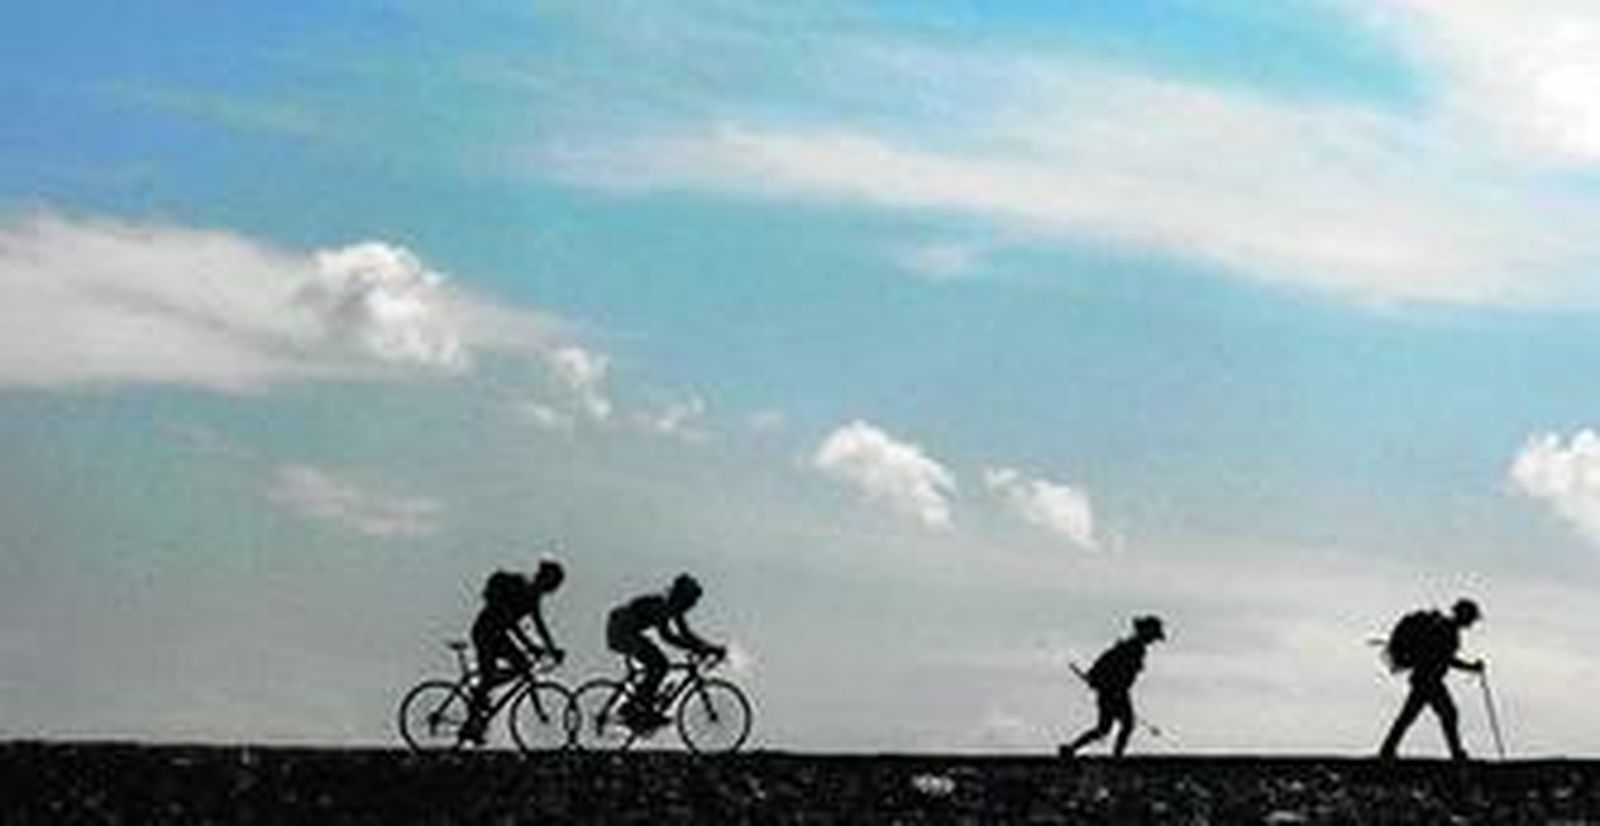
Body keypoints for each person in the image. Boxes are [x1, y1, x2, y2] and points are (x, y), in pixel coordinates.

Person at [461, 559, 566, 744]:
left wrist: (551, 649)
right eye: (552, 585)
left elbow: (540, 626)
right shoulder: (522, 588)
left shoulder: (533, 597)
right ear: (545, 580)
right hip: (485, 632)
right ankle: (471, 724)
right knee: (490, 677)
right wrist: (531, 647)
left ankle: (481, 699)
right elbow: (511, 623)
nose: (551, 590)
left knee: (522, 667)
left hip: (499, 634)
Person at [607, 573, 726, 730]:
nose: (692, 605)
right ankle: (635, 710)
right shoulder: (664, 606)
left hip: (627, 630)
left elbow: (686, 634)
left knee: (659, 665)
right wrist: (700, 649)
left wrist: (709, 648)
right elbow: (668, 637)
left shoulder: (674, 608)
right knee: (659, 665)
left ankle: (640, 708)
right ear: (682, 597)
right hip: (621, 631)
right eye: (691, 601)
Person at [1379, 598, 1484, 760]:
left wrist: (1469, 667)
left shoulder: (1445, 628)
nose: (1471, 622)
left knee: (1410, 715)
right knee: (1447, 713)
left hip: (1425, 679)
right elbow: (1446, 659)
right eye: (1471, 618)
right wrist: (1470, 667)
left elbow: (1445, 658)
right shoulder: (1447, 630)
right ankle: (1456, 752)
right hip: (1429, 680)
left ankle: (1387, 749)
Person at [1060, 615, 1165, 758]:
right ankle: (1116, 756)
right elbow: (1112, 667)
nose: (1153, 640)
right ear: (1145, 631)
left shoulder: (1133, 647)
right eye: (1153, 635)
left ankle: (1072, 749)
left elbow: (1107, 665)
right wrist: (1105, 684)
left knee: (1105, 728)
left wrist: (1096, 680)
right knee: (1124, 725)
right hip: (1115, 692)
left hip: (1115, 692)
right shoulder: (1131, 648)